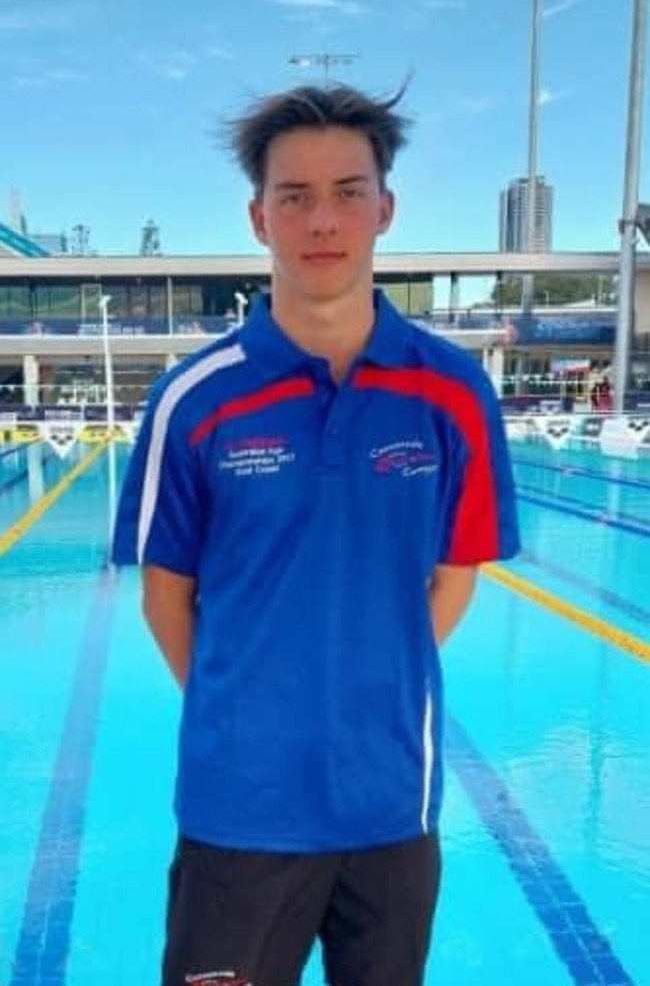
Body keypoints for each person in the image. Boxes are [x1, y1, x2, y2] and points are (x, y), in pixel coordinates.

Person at [111, 83, 521, 986]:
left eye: (346, 191)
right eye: (294, 196)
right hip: (238, 811)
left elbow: (455, 577)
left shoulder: (453, 393)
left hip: (390, 809)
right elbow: (163, 594)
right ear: (260, 218)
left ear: (386, 207)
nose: (322, 219)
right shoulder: (195, 399)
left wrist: (363, 677)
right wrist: (250, 696)